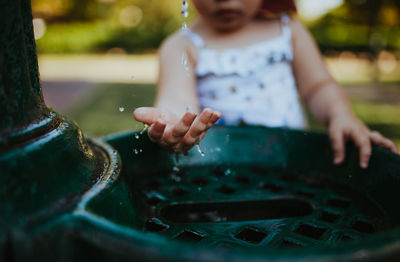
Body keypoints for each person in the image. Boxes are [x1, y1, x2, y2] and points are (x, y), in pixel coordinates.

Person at [133, 0, 398, 168]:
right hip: (218, 173)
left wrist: (341, 115)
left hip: (291, 166)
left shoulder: (288, 31)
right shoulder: (181, 45)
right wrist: (175, 121)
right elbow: (177, 98)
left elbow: (319, 86)